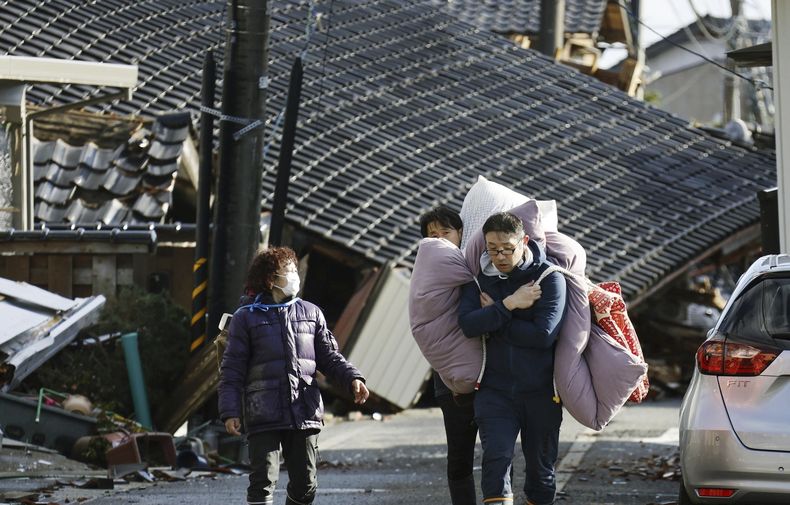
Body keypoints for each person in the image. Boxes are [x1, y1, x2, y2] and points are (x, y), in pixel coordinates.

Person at [218, 246, 369, 505]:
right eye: (288, 272)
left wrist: (353, 378)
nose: (294, 276)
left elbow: (330, 357)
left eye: (294, 270)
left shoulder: (311, 313)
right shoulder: (246, 318)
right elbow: (232, 369)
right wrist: (230, 411)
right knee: (262, 482)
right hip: (262, 411)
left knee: (305, 484)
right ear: (269, 279)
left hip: (304, 410)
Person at [458, 212, 567, 505]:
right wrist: (510, 303)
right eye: (493, 248)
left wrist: (496, 318)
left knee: (541, 474)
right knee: (495, 461)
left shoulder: (549, 278)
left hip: (542, 392)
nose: (500, 255)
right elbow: (468, 325)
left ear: (524, 241)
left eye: (507, 248)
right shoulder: (479, 281)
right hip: (495, 391)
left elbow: (543, 336)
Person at [418, 205, 478, 505]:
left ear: (461, 234)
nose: (440, 239)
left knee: (499, 453)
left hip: (489, 375)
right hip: (450, 380)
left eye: (446, 233)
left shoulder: (480, 263)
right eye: (433, 235)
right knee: (459, 456)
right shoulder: (426, 273)